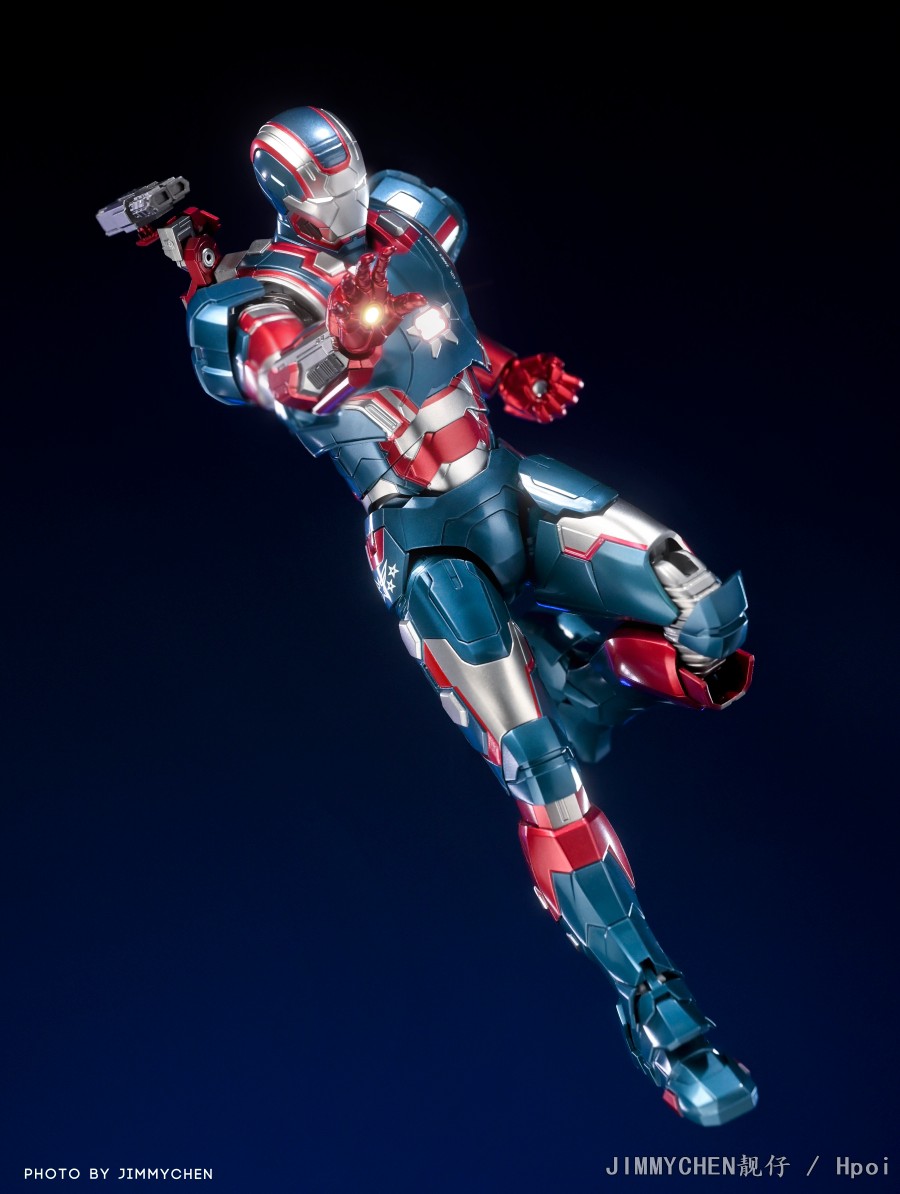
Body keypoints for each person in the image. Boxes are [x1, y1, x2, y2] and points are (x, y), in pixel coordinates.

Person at [99, 105, 757, 1126]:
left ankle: (601, 685)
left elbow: (445, 325)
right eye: (321, 184)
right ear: (284, 194)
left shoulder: (411, 222)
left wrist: (506, 372)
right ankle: (657, 1006)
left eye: (349, 171)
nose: (345, 194)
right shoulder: (256, 294)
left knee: (708, 612)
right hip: (423, 535)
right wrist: (342, 347)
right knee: (542, 776)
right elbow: (286, 381)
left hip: (509, 486)